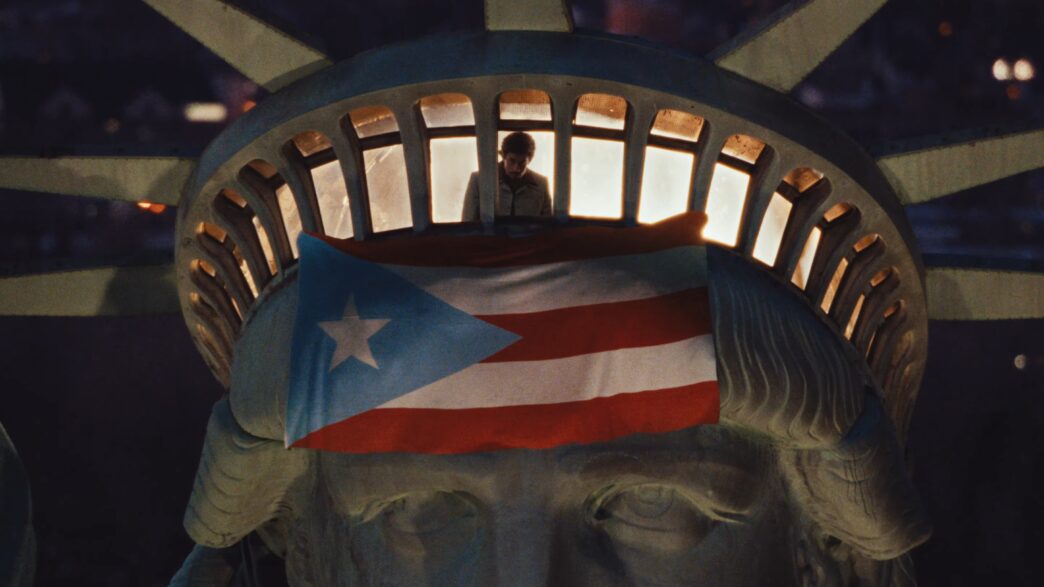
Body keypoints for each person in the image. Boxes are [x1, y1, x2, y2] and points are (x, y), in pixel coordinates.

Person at [461, 131, 551, 221]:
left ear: (529, 160)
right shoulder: (478, 180)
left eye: (522, 163)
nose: (516, 168)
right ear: (503, 156)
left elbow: (548, 227)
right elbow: (467, 222)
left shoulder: (541, 184)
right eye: (512, 161)